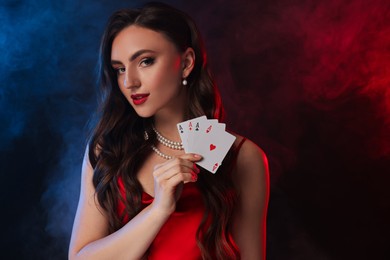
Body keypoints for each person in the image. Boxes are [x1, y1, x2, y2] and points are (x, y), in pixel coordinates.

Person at [69, 2, 269, 259]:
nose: (129, 81)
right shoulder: (108, 148)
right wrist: (159, 210)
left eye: (145, 61)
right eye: (120, 69)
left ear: (186, 63)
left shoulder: (241, 156)